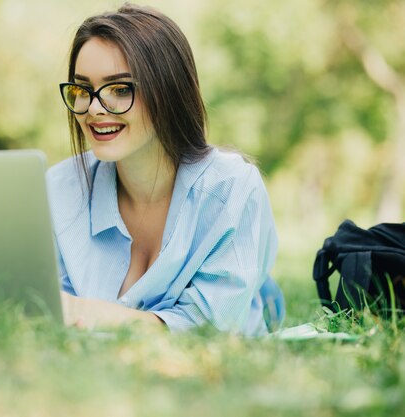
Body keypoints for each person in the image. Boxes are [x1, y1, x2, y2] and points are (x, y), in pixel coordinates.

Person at [47, 3, 285, 335]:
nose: (94, 108)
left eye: (120, 89)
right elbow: (36, 307)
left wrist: (83, 311)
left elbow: (210, 329)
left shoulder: (232, 189)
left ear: (168, 91)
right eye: (82, 89)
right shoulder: (57, 188)